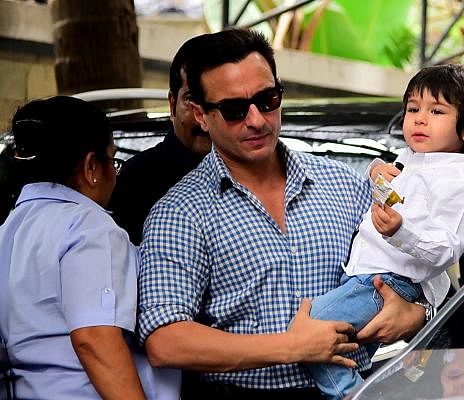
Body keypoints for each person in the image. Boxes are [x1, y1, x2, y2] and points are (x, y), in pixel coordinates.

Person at [137, 28, 427, 399]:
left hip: (359, 387)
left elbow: (423, 265)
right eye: (234, 109)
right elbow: (166, 341)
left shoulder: (343, 184)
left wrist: (417, 313)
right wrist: (293, 346)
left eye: (268, 99)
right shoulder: (180, 213)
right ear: (201, 115)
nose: (257, 119)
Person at [305, 63, 464, 399]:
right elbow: (384, 185)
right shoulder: (413, 159)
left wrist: (400, 231)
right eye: (413, 108)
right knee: (327, 338)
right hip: (365, 277)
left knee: (313, 327)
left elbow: (445, 249)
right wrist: (375, 169)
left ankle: (349, 395)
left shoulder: (456, 181)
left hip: (388, 281)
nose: (420, 118)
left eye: (436, 111)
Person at [0, 96, 178, 400]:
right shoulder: (89, 227)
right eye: (113, 159)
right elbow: (94, 338)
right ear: (92, 167)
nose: (115, 173)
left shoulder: (10, 228)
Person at [109, 35, 212, 245]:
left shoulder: (259, 175)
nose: (203, 118)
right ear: (172, 103)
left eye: (216, 103)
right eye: (192, 100)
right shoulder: (134, 180)